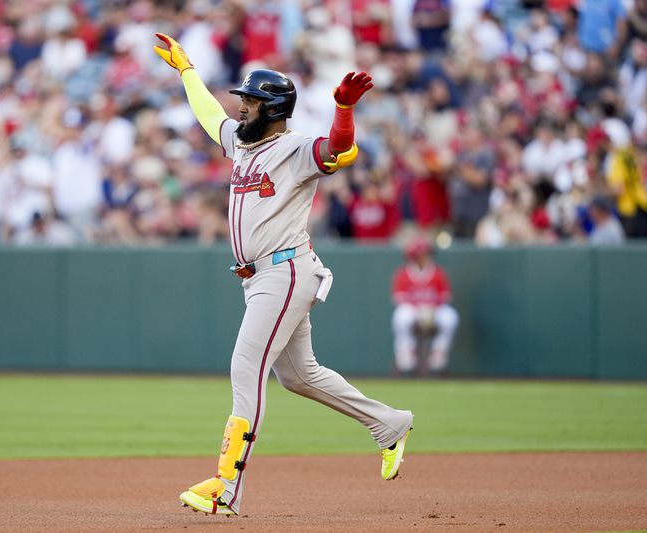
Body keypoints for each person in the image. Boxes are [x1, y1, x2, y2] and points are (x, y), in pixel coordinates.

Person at [154, 33, 414, 517]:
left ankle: (227, 486)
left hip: (284, 271)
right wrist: (186, 70)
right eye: (243, 100)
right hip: (261, 278)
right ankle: (389, 423)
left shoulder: (294, 149)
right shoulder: (239, 142)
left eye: (250, 102)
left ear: (272, 109)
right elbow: (209, 114)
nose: (241, 108)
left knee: (245, 367)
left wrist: (342, 109)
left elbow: (338, 150)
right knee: (298, 376)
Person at [391, 236, 459, 375]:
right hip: (413, 311)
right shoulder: (403, 274)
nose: (426, 257)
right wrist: (418, 309)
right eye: (423, 254)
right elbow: (398, 298)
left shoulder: (438, 272)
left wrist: (431, 309)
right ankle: (406, 352)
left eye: (427, 254)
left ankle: (439, 352)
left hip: (435, 310)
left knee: (450, 317)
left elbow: (446, 296)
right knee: (401, 316)